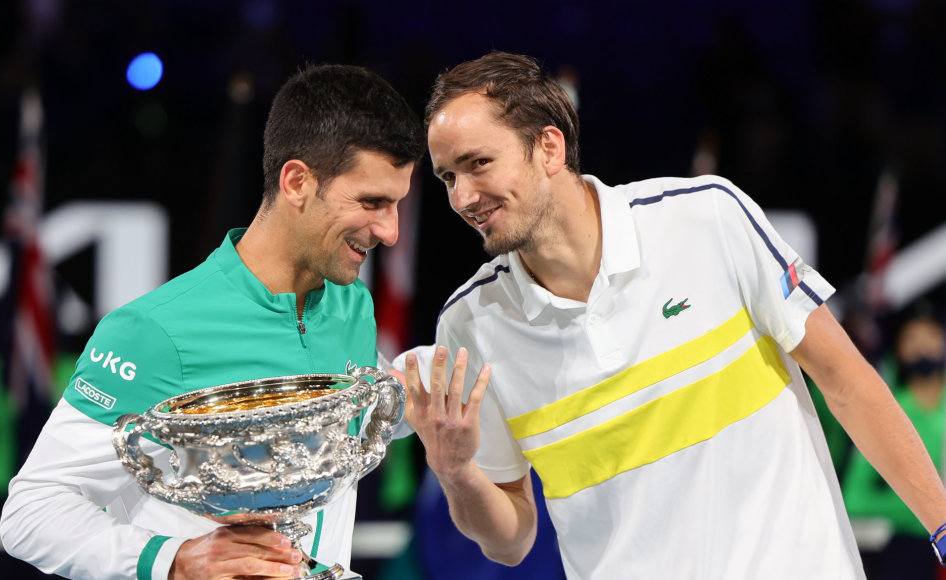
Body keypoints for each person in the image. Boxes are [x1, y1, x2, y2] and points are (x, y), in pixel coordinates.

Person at [397, 51, 946, 579]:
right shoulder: (471, 325)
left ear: (549, 148)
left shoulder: (707, 216)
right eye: (448, 177)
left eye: (479, 164)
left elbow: (846, 382)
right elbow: (511, 542)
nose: (463, 196)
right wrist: (454, 469)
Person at [0, 63, 424, 580]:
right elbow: (33, 510)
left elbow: (356, 407)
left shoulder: (350, 304)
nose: (391, 231)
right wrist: (174, 560)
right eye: (372, 202)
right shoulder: (153, 331)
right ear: (296, 182)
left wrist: (427, 388)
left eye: (397, 204)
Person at [843, 305, 946, 579]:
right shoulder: (885, 412)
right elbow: (854, 498)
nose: (923, 346)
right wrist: (924, 510)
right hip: (911, 549)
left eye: (932, 336)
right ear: (898, 350)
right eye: (912, 339)